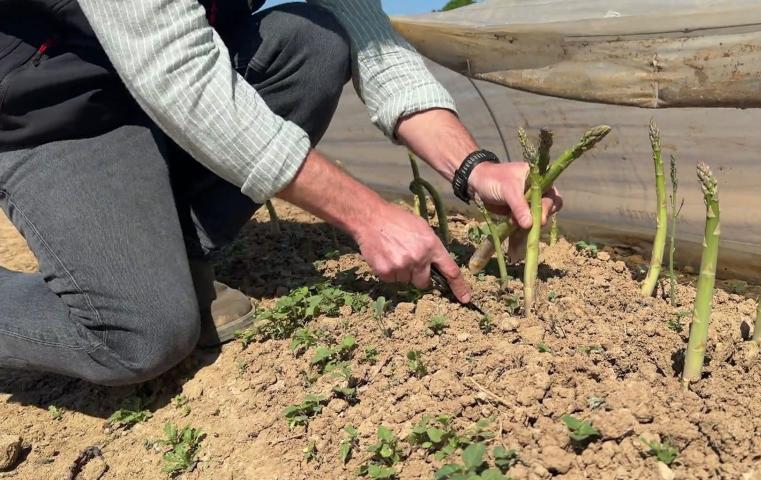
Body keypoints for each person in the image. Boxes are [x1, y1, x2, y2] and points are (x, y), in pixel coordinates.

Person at [0, 0, 561, 386]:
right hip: (57, 108)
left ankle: (174, 259)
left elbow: (374, 45)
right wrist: (368, 216)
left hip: (158, 83)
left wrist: (472, 167)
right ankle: (145, 291)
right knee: (141, 336)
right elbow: (175, 71)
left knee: (312, 41)